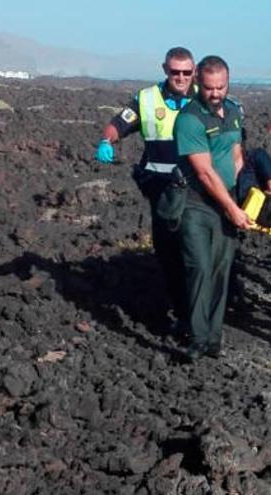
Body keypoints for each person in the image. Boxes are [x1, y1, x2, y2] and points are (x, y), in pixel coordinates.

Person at [93, 47, 197, 336]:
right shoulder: (147, 99)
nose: (180, 77)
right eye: (175, 71)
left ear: (194, 71)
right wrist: (107, 140)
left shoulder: (204, 97)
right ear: (165, 69)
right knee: (169, 255)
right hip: (161, 192)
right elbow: (118, 123)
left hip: (198, 190)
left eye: (186, 72)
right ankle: (182, 312)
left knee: (195, 253)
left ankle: (199, 315)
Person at [173, 55, 262, 361]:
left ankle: (213, 339)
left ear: (228, 82)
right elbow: (205, 172)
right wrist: (230, 208)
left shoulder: (235, 113)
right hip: (197, 206)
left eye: (220, 87)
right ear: (198, 83)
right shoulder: (190, 118)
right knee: (199, 269)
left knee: (222, 272)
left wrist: (245, 198)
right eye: (209, 88)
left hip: (228, 206)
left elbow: (237, 157)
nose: (215, 93)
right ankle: (197, 339)